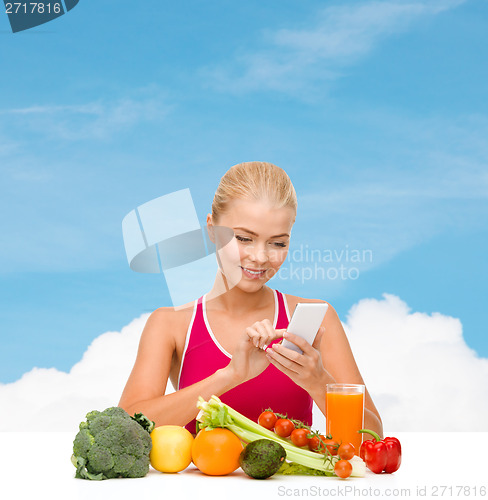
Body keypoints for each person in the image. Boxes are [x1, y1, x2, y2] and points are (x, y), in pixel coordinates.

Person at [119, 161, 383, 439]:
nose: (260, 257)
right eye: (244, 238)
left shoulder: (317, 317)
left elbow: (373, 438)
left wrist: (318, 382)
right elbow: (126, 428)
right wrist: (230, 375)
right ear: (211, 230)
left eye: (278, 243)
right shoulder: (171, 324)